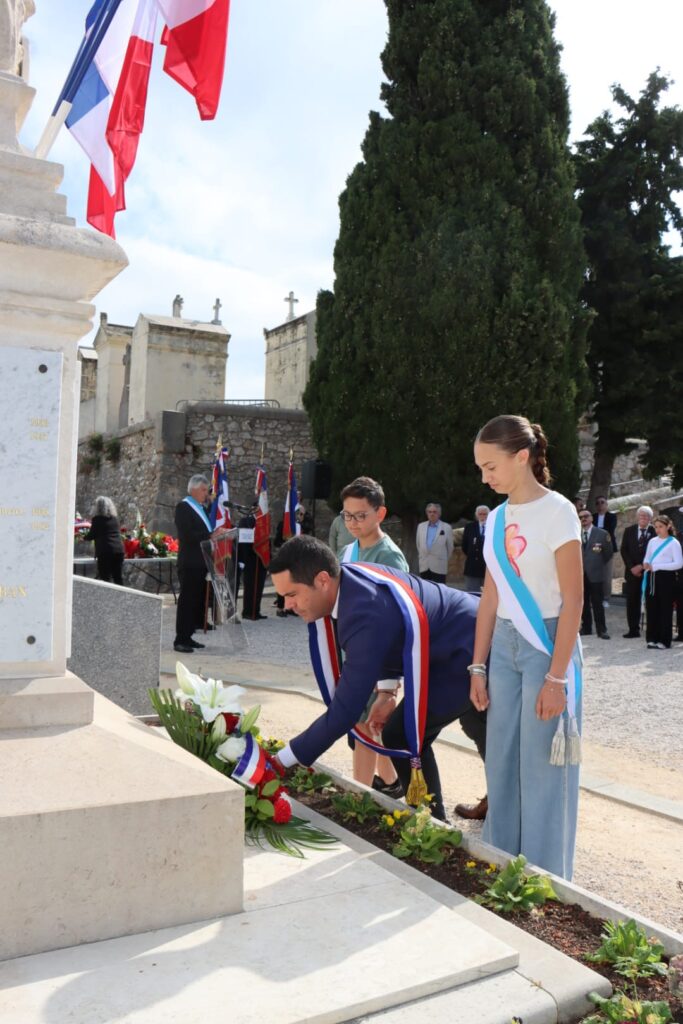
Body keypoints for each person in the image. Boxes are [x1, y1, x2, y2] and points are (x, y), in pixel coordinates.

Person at [269, 535, 482, 822]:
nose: (287, 605)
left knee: (404, 733)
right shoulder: (349, 584)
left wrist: (278, 762)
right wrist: (387, 692)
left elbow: (345, 711)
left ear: (322, 580)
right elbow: (391, 636)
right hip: (453, 640)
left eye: (292, 594)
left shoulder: (362, 611)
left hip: (465, 648)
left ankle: (432, 825)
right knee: (472, 727)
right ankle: (460, 812)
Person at [469, 414, 583, 879]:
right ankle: (501, 866)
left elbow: (574, 599)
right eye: (480, 468)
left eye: (490, 466)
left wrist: (557, 677)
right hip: (503, 645)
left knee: (541, 767)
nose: (485, 477)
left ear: (521, 457)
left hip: (546, 645)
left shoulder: (559, 512)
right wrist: (478, 666)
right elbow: (490, 595)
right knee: (500, 759)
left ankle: (543, 881)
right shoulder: (497, 518)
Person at [338, 476, 409, 798]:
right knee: (366, 724)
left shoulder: (389, 556)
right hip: (353, 651)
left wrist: (389, 684)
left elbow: (397, 618)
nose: (353, 522)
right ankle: (391, 781)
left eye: (360, 515)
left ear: (380, 513)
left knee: (365, 726)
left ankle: (360, 798)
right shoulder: (347, 550)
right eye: (347, 515)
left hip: (377, 657)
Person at [174, 474, 224, 653]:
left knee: (195, 602)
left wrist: (215, 536)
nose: (206, 493)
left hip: (201, 562)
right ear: (193, 489)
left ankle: (188, 636)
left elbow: (203, 534)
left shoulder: (201, 508)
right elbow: (186, 535)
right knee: (187, 602)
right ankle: (180, 640)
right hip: (189, 562)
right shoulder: (184, 507)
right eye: (204, 490)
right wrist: (210, 535)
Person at [643, 515, 683, 650]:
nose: (658, 530)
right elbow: (647, 557)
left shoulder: (674, 542)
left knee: (665, 609)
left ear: (668, 526)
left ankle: (664, 640)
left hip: (666, 579)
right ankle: (652, 638)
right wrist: (646, 563)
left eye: (660, 526)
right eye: (656, 527)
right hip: (652, 577)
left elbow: (679, 563)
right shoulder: (652, 541)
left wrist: (658, 566)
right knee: (651, 608)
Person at [619, 506, 655, 638]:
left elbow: (654, 551)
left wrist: (641, 566)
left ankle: (652, 630)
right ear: (637, 517)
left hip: (648, 572)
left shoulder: (654, 531)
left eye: (646, 516)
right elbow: (624, 550)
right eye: (641, 515)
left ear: (650, 518)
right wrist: (632, 567)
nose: (643, 518)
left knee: (651, 602)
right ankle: (633, 630)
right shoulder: (629, 530)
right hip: (632, 573)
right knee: (632, 602)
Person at [578, 510, 613, 639]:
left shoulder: (602, 534)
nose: (583, 519)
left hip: (596, 574)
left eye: (586, 516)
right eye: (580, 517)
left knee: (598, 603)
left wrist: (596, 565)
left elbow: (608, 553)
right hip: (580, 575)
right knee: (583, 603)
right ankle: (586, 628)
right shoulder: (575, 534)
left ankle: (601, 630)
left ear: (592, 518)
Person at [274, 504, 313, 616]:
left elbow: (308, 536)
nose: (300, 516)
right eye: (298, 513)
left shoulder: (303, 526)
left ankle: (292, 607)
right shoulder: (283, 524)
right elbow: (276, 542)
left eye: (302, 514)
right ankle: (280, 607)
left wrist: (303, 520)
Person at [85, 496, 124, 585]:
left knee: (105, 578)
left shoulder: (97, 519)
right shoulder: (115, 519)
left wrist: (83, 537)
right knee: (118, 577)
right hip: (119, 550)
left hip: (105, 551)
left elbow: (92, 535)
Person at [415, 502, 454, 583]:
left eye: (434, 512)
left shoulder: (446, 527)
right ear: (427, 513)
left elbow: (450, 548)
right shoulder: (421, 526)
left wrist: (442, 558)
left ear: (439, 513)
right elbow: (418, 545)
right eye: (430, 512)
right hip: (424, 565)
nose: (432, 514)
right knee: (425, 589)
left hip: (439, 566)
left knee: (439, 589)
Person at [461, 506, 490, 592]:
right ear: (477, 515)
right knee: (472, 593)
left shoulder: (493, 526)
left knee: (488, 594)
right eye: (480, 514)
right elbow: (465, 546)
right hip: (472, 567)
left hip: (488, 567)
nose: (483, 516)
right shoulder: (470, 527)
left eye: (485, 514)